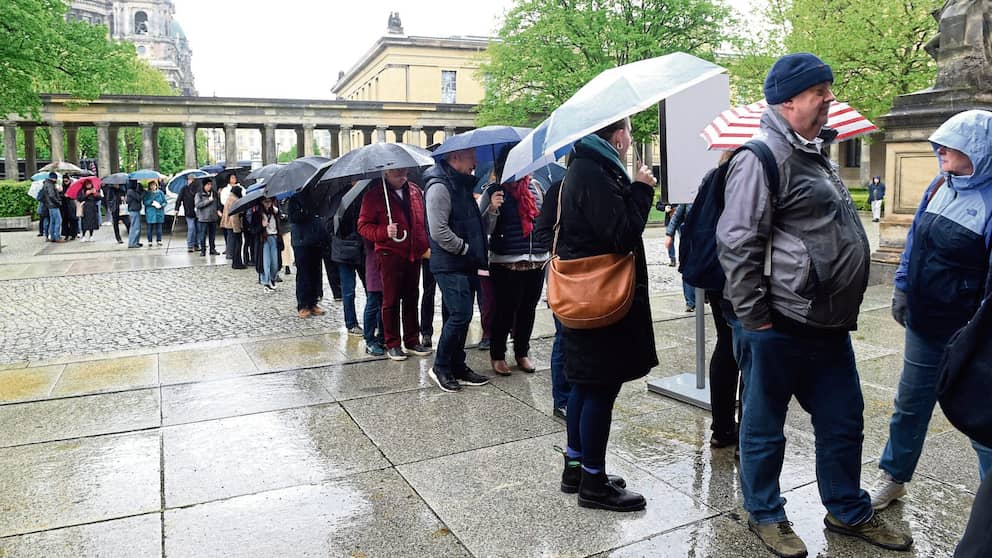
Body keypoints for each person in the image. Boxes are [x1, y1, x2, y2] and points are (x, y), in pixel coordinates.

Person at [716, 53, 912, 557]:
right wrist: (755, 318)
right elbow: (737, 245)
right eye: (819, 90)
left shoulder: (813, 153)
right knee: (763, 428)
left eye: (828, 88)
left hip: (827, 325)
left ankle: (846, 509)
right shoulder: (759, 158)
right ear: (788, 100)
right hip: (777, 323)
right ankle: (764, 513)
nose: (829, 98)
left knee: (844, 420)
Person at [869, 110, 992, 512]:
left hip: (971, 334)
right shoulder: (940, 183)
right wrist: (902, 288)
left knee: (983, 418)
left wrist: (978, 333)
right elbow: (914, 242)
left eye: (950, 145)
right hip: (925, 323)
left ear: (977, 149)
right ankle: (893, 476)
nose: (938, 150)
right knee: (910, 403)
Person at [554, 117, 656, 513]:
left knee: (583, 384)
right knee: (599, 386)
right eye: (629, 132)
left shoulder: (583, 167)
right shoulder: (593, 171)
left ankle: (577, 468)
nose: (630, 140)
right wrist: (642, 190)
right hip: (599, 299)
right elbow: (621, 234)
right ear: (617, 136)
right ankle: (593, 482)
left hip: (585, 296)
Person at [423, 148, 492, 390]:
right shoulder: (440, 186)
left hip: (465, 262)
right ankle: (440, 366)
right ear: (454, 158)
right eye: (471, 156)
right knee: (460, 315)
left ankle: (457, 365)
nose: (475, 161)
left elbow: (471, 222)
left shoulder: (460, 184)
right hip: (452, 263)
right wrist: (465, 249)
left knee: (458, 316)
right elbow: (438, 230)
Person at [478, 146, 547, 376]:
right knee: (504, 311)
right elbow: (483, 228)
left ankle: (521, 352)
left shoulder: (535, 187)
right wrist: (493, 209)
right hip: (506, 261)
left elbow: (543, 221)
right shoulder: (494, 191)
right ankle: (497, 355)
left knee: (528, 309)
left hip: (536, 259)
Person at [358, 168, 433, 362]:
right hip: (390, 253)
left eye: (404, 172)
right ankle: (392, 343)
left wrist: (424, 243)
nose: (402, 176)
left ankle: (412, 339)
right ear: (386, 173)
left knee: (411, 297)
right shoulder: (374, 195)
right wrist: (384, 231)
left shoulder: (415, 191)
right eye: (397, 173)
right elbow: (363, 226)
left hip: (413, 253)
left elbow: (422, 220)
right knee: (390, 300)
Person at [534, 176, 569, 419]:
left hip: (595, 274)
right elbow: (542, 232)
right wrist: (565, 253)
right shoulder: (560, 188)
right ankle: (562, 399)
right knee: (564, 335)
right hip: (565, 272)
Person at [330, 180, 368, 337]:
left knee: (371, 289)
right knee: (348, 290)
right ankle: (351, 323)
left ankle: (375, 321)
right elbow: (330, 225)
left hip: (362, 248)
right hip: (345, 250)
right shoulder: (340, 198)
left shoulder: (368, 194)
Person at [666, 203, 696, 311]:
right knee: (687, 269)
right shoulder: (686, 199)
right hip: (688, 239)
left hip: (705, 238)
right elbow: (676, 217)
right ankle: (690, 302)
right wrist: (669, 234)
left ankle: (704, 296)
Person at [249, 197, 281, 290]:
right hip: (264, 240)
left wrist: (278, 212)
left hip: (275, 238)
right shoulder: (257, 215)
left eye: (270, 201)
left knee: (275, 263)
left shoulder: (274, 212)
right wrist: (261, 226)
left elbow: (280, 225)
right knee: (265, 262)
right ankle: (265, 282)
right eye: (265, 201)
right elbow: (253, 230)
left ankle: (272, 278)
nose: (268, 203)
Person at [363, 236, 386, 355]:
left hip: (387, 262)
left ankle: (383, 337)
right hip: (375, 263)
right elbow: (368, 238)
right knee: (373, 303)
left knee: (385, 303)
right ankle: (369, 340)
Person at [194, 178, 222, 256]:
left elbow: (217, 203)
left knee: (212, 235)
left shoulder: (214, 193)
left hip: (213, 217)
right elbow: (198, 205)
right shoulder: (199, 194)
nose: (209, 186)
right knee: (202, 235)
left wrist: (218, 210)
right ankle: (203, 250)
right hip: (203, 218)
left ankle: (212, 249)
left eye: (210, 184)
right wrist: (208, 200)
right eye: (208, 184)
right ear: (204, 185)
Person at [222, 185, 245, 269]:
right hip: (233, 226)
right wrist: (237, 229)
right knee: (237, 244)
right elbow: (234, 216)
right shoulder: (235, 200)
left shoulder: (229, 198)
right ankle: (237, 263)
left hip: (228, 224)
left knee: (234, 244)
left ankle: (236, 262)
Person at [174, 175, 199, 252]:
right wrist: (176, 209)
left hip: (198, 212)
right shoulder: (184, 188)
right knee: (191, 228)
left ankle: (196, 244)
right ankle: (190, 245)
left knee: (198, 229)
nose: (191, 181)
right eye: (189, 180)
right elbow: (179, 199)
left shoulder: (197, 189)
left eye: (192, 180)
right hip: (189, 211)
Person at [41, 173, 63, 243]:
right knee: (58, 221)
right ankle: (57, 237)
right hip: (53, 205)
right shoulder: (50, 185)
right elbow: (51, 195)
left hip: (49, 205)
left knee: (53, 221)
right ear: (54, 178)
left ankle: (52, 236)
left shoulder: (46, 184)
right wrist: (58, 202)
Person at [221, 173, 239, 259]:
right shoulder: (226, 191)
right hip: (230, 218)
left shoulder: (240, 188)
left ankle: (230, 252)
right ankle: (230, 253)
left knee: (230, 237)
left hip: (230, 218)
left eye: (234, 177)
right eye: (232, 177)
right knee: (231, 236)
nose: (234, 179)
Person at [142, 180, 166, 247]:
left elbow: (165, 201)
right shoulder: (147, 193)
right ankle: (150, 241)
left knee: (159, 228)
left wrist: (161, 205)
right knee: (150, 228)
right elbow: (145, 202)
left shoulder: (160, 193)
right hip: (150, 213)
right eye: (151, 185)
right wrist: (151, 201)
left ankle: (159, 240)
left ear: (156, 186)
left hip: (159, 212)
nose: (153, 187)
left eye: (154, 185)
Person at [60, 175, 79, 241]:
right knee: (65, 221)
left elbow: (75, 195)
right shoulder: (61, 187)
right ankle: (66, 234)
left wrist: (69, 195)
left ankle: (73, 234)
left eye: (66, 181)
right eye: (64, 181)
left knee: (73, 220)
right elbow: (60, 196)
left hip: (71, 205)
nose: (65, 182)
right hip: (64, 206)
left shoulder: (72, 186)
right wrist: (62, 194)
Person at [125, 182, 144, 248]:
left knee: (137, 227)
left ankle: (136, 242)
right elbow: (138, 198)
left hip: (135, 210)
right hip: (134, 211)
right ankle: (132, 243)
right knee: (135, 227)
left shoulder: (132, 191)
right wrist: (143, 192)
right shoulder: (130, 191)